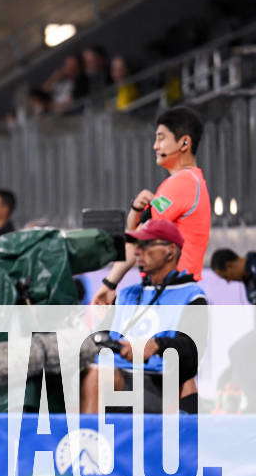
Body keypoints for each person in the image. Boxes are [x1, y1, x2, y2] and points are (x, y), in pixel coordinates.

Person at [81, 219, 204, 414]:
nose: (138, 251)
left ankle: (87, 442)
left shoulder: (191, 295)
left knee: (97, 376)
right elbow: (100, 337)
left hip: (155, 383)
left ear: (170, 250)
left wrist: (157, 345)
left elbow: (193, 352)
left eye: (146, 245)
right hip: (116, 375)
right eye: (137, 245)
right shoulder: (125, 294)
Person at [93, 107, 210, 304]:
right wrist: (137, 210)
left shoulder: (182, 183)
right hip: (168, 290)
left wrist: (109, 284)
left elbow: (140, 237)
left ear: (184, 142)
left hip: (171, 293)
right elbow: (136, 233)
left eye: (161, 138)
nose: (155, 146)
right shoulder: (187, 181)